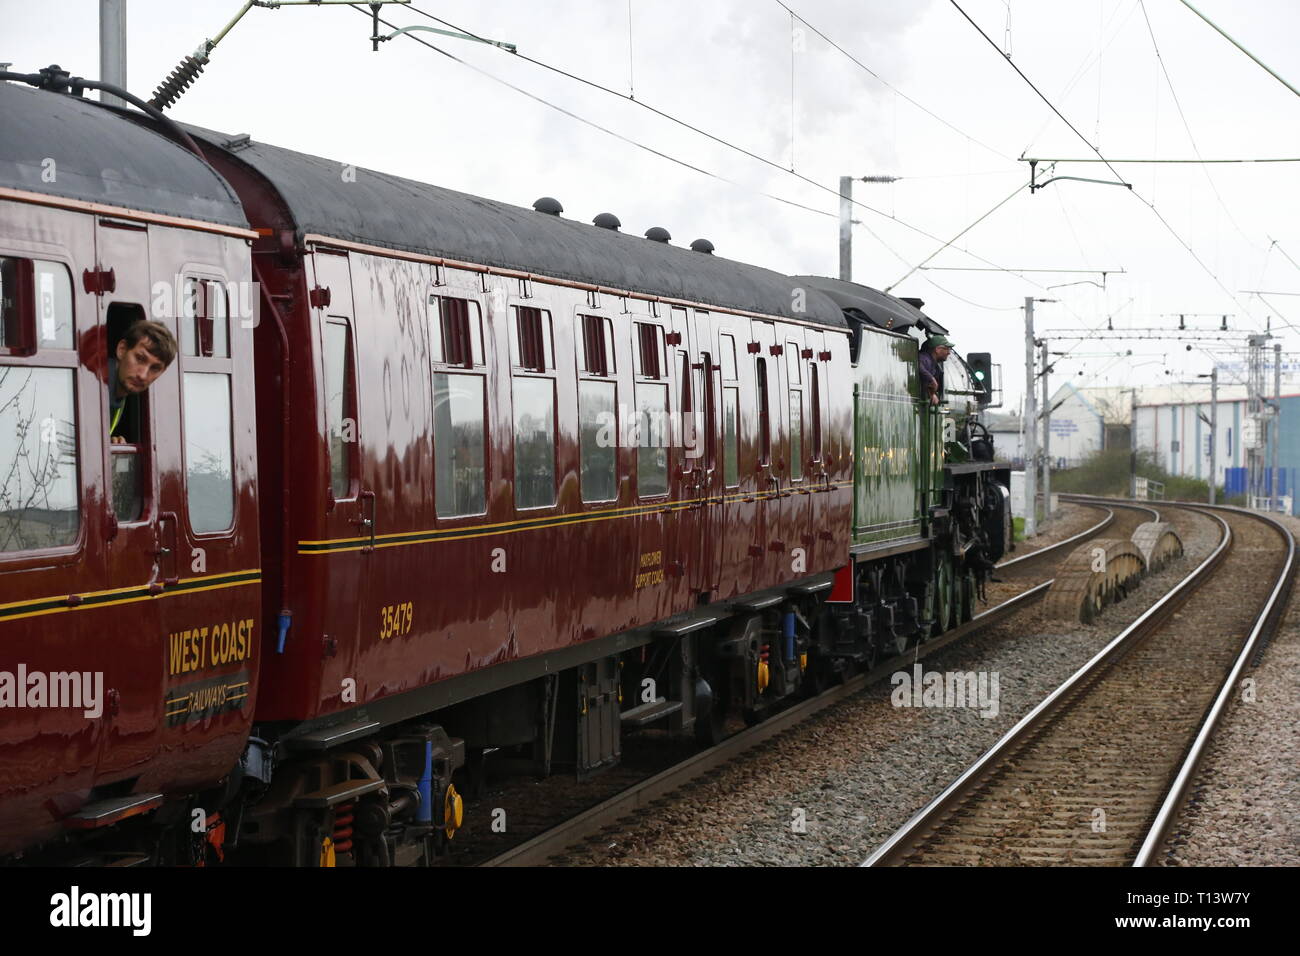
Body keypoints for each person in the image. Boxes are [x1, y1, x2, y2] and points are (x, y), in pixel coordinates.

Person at [108, 319, 178, 443]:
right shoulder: (95, 386)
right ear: (122, 350)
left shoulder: (118, 394)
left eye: (155, 368)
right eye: (140, 358)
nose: (143, 375)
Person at [918, 334, 954, 406]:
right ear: (937, 349)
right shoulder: (924, 359)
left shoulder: (935, 365)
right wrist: (931, 379)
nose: (949, 353)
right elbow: (917, 365)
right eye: (946, 349)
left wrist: (932, 394)